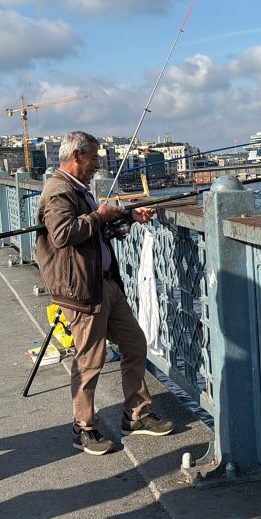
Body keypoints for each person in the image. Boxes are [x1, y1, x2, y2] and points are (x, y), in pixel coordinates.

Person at [36, 130, 174, 456]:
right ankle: (83, 428)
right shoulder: (58, 192)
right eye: (94, 158)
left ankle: (136, 415)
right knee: (89, 362)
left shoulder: (78, 190)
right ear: (76, 157)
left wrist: (127, 215)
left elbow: (95, 230)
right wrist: (100, 214)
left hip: (106, 284)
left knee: (134, 344)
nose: (98, 164)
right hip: (83, 291)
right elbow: (63, 235)